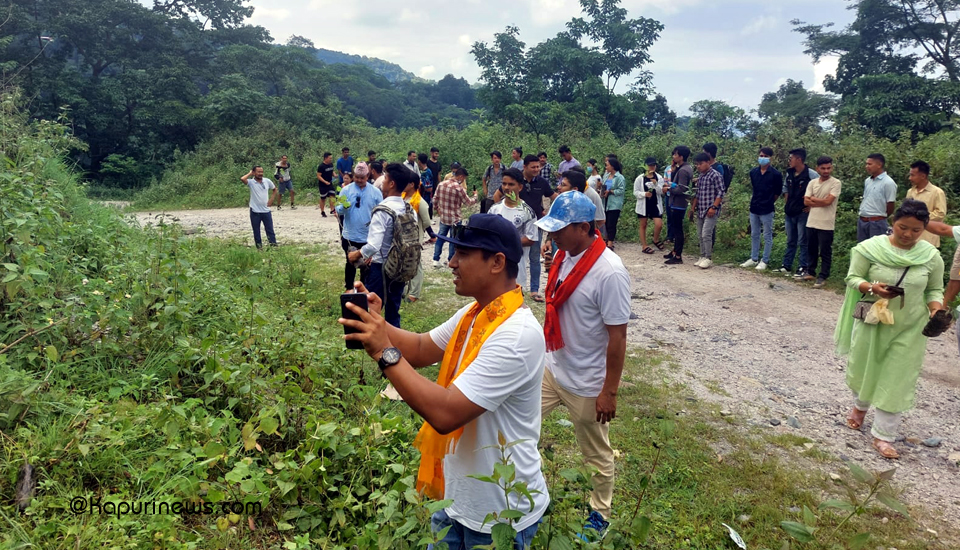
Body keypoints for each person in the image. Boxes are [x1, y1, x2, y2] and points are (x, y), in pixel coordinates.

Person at [338, 214, 549, 550]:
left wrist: (384, 352)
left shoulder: (516, 335)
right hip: (457, 500)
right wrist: (378, 322)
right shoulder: (476, 315)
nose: (451, 262)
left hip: (498, 515)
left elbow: (446, 413)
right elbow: (422, 347)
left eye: (462, 254)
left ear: (496, 263)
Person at [536, 191, 630, 537]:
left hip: (588, 383)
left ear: (584, 227)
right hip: (553, 368)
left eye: (559, 229)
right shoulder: (564, 255)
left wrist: (610, 391)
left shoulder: (610, 273)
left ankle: (599, 516)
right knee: (520, 428)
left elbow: (618, 337)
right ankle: (532, 493)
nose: (553, 236)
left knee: (596, 454)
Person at [835, 199, 945, 459]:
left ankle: (884, 436)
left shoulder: (930, 256)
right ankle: (860, 407)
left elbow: (935, 289)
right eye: (902, 227)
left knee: (898, 377)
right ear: (893, 222)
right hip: (873, 321)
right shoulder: (868, 249)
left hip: (910, 327)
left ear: (925, 229)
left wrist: (936, 309)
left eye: (916, 230)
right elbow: (852, 278)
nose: (907, 234)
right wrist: (873, 288)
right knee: (865, 367)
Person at [348, 163, 415, 328]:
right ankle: (396, 340)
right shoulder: (408, 208)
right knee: (393, 308)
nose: (382, 182)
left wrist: (356, 255)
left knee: (372, 308)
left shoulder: (383, 210)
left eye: (385, 178)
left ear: (391, 184)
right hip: (400, 266)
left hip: (381, 268)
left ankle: (371, 340)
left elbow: (373, 245)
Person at [494, 155, 558, 303]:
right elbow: (497, 195)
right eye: (533, 167)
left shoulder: (542, 182)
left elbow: (555, 197)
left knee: (534, 258)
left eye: (538, 167)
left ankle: (534, 290)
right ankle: (510, 286)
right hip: (515, 225)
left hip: (535, 224)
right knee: (512, 256)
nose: (537, 169)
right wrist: (502, 211)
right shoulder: (514, 180)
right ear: (525, 167)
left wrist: (551, 212)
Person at [337, 162, 383, 290]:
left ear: (367, 176)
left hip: (368, 236)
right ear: (353, 176)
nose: (359, 180)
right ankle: (349, 288)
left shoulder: (375, 192)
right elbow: (338, 209)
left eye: (362, 178)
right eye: (356, 177)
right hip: (350, 235)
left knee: (367, 265)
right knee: (350, 263)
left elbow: (381, 212)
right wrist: (343, 207)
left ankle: (363, 289)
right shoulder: (346, 190)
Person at [490, 174, 538, 293]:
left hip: (516, 270)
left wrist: (507, 241)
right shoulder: (494, 209)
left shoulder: (528, 212)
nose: (506, 187)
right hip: (495, 267)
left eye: (511, 184)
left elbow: (531, 239)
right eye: (504, 184)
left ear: (520, 187)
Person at [777, 148, 817, 277]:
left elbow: (818, 190)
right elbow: (785, 189)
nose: (789, 161)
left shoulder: (811, 175)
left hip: (803, 212)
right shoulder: (789, 173)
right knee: (790, 240)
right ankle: (786, 265)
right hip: (790, 212)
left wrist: (811, 206)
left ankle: (803, 266)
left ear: (799, 159)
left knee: (803, 240)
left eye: (791, 158)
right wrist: (787, 203)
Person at [804, 156, 842, 288]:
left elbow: (828, 202)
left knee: (825, 250)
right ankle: (810, 272)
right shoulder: (812, 183)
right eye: (823, 168)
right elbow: (805, 201)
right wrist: (818, 201)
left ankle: (823, 275)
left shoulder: (835, 183)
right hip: (812, 221)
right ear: (817, 169)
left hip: (826, 223)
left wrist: (814, 200)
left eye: (829, 168)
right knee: (811, 248)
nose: (826, 171)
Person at [741, 147, 782, 271]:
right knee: (754, 233)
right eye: (761, 155)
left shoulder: (776, 174)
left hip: (767, 208)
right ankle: (753, 258)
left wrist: (769, 201)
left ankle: (764, 260)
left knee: (767, 235)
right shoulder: (753, 172)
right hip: (754, 207)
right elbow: (755, 188)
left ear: (770, 158)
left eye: (765, 156)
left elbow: (777, 192)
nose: (762, 158)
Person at [433, 168, 478, 268]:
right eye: (464, 178)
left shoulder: (441, 184)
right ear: (461, 176)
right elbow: (468, 202)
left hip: (444, 217)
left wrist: (437, 209)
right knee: (453, 240)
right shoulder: (458, 188)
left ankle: (435, 259)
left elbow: (435, 199)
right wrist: (475, 196)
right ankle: (450, 259)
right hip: (455, 218)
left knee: (440, 237)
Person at [403, 182, 436, 304]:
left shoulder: (420, 202)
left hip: (416, 237)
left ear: (411, 185)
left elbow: (427, 222)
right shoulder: (403, 197)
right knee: (406, 262)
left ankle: (414, 293)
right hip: (404, 236)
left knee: (416, 264)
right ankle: (405, 289)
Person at [690, 152, 725, 269]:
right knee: (700, 234)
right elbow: (698, 193)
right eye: (696, 164)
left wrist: (714, 207)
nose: (698, 166)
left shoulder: (715, 175)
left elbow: (721, 192)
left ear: (708, 162)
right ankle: (702, 255)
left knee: (706, 233)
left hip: (711, 209)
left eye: (701, 164)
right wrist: (693, 207)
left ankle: (708, 257)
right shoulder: (700, 177)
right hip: (701, 208)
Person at [905, 160, 947, 247]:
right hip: (910, 238)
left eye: (912, 175)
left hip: (928, 239)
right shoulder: (910, 192)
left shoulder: (937, 192)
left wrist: (919, 218)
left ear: (923, 176)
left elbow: (940, 214)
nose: (910, 178)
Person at [858, 153, 897, 243]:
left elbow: (890, 204)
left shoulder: (888, 182)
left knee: (877, 249)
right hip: (863, 220)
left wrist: (880, 218)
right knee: (862, 249)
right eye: (866, 164)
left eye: (870, 164)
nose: (867, 166)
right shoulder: (868, 181)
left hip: (877, 222)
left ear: (879, 165)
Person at [664, 146, 693, 265]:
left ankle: (678, 255)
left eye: (675, 154)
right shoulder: (685, 167)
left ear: (681, 156)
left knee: (677, 229)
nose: (673, 156)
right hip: (680, 203)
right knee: (676, 228)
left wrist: (669, 189)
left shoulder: (682, 170)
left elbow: (681, 188)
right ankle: (675, 250)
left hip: (678, 203)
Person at [240, 166, 278, 249]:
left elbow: (275, 189)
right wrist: (250, 173)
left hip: (266, 210)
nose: (260, 173)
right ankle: (259, 248)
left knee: (270, 230)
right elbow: (242, 179)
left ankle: (273, 246)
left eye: (262, 172)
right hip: (255, 211)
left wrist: (271, 199)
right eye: (258, 172)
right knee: (256, 230)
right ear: (254, 173)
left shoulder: (267, 181)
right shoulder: (251, 182)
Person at [634, 157, 665, 255]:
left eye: (654, 165)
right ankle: (644, 245)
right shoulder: (640, 178)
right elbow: (635, 192)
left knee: (659, 224)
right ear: (646, 166)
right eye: (650, 165)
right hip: (644, 204)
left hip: (655, 204)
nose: (652, 167)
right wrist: (644, 194)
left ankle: (655, 240)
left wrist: (655, 184)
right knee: (643, 224)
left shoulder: (659, 177)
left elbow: (661, 192)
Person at [602, 158, 625, 250]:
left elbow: (621, 190)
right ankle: (606, 240)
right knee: (606, 222)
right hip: (605, 202)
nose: (606, 167)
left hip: (614, 203)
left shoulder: (619, 177)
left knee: (612, 223)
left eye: (607, 165)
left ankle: (610, 243)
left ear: (612, 166)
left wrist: (611, 191)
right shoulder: (606, 176)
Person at [316, 152, 337, 217]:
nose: (331, 159)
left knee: (332, 196)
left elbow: (332, 170)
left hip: (330, 183)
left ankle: (332, 209)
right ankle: (322, 211)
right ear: (325, 158)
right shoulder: (321, 166)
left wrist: (334, 174)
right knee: (323, 198)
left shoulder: (331, 164)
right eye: (330, 158)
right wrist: (325, 182)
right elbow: (318, 176)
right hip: (323, 185)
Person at [417, 153, 435, 217]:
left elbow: (429, 188)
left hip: (426, 198)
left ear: (419, 161)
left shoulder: (426, 173)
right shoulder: (425, 171)